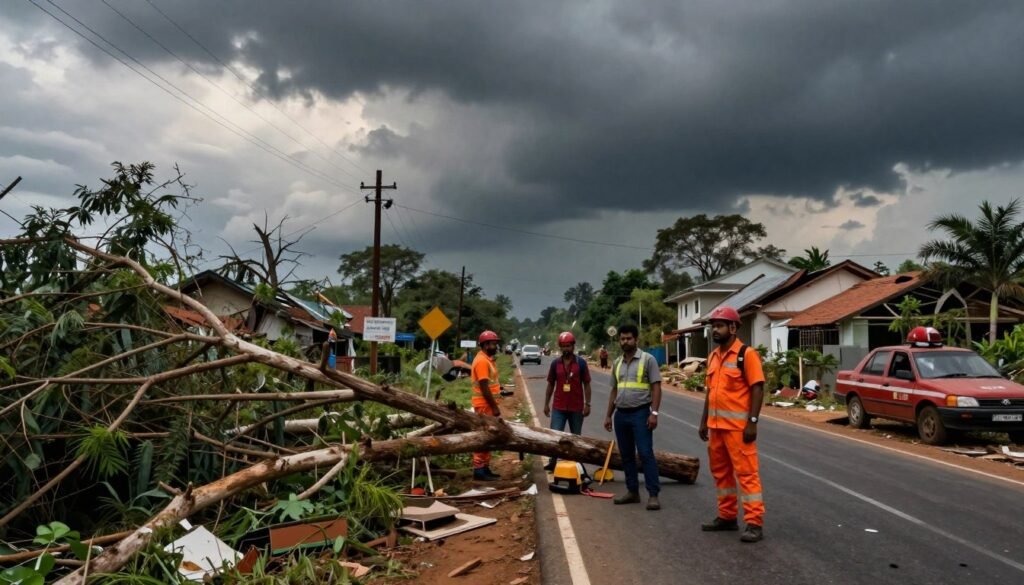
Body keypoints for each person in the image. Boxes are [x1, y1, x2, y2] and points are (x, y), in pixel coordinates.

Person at [698, 306, 766, 543]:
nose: (715, 330)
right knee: (721, 474)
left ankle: (754, 523)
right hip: (716, 428)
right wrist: (704, 421)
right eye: (713, 326)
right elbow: (711, 392)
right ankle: (727, 516)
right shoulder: (713, 356)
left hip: (738, 429)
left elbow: (758, 388)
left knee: (747, 475)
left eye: (719, 326)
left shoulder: (746, 355)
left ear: (733, 328)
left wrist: (752, 422)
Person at [603, 324, 662, 510]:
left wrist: (654, 413)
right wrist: (608, 415)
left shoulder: (648, 360)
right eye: (622, 339)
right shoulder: (617, 363)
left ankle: (653, 495)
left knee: (645, 453)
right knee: (626, 455)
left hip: (640, 413)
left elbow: (656, 387)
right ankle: (632, 491)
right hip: (621, 415)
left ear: (636, 339)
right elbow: (614, 390)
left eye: (629, 338)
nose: (625, 341)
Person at [542, 331, 592, 471]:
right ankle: (553, 461)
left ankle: (578, 464)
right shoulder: (555, 364)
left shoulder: (581, 364)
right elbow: (550, 384)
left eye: (568, 346)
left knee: (576, 438)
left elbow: (587, 384)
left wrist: (588, 404)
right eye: (563, 346)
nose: (566, 349)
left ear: (573, 346)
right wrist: (546, 404)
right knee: (555, 436)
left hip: (576, 407)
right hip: (559, 407)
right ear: (560, 347)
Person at [471, 330, 503, 481]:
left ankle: (485, 467)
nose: (496, 346)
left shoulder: (487, 359)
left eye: (496, 343)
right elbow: (484, 388)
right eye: (493, 344)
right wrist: (495, 407)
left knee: (490, 436)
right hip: (485, 405)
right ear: (485, 345)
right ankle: (479, 468)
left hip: (487, 404)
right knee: (484, 436)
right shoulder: (482, 361)